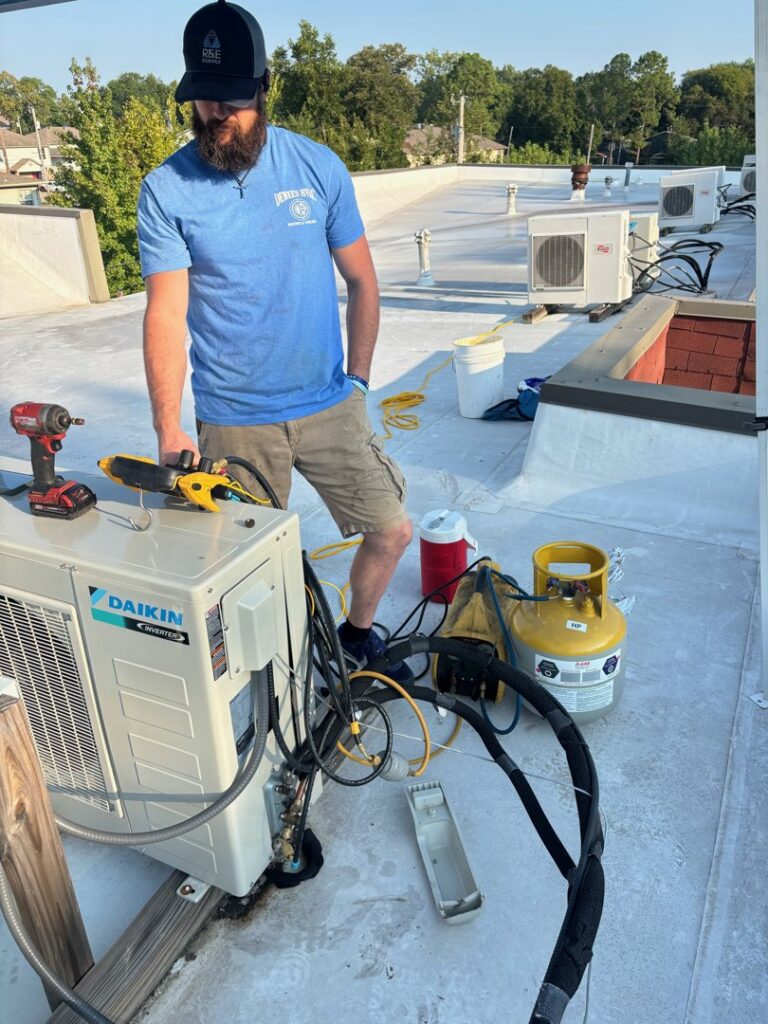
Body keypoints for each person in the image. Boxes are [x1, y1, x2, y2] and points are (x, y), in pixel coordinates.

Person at [137, 0, 413, 679]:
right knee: (244, 574)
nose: (213, 117)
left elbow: (362, 281)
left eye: (229, 103)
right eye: (201, 101)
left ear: (263, 90)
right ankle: (274, 681)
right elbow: (166, 314)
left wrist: (359, 381)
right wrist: (169, 426)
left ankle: (355, 638)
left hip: (328, 402)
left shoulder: (316, 168)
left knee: (392, 529)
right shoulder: (166, 189)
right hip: (234, 424)